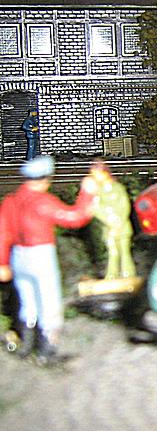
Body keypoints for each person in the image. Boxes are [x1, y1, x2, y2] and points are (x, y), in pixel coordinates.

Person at [0, 155, 96, 363]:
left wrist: (2, 263)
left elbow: (3, 233)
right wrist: (87, 193)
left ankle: (26, 346)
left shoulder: (11, 201)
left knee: (27, 302)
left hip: (19, 257)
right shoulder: (43, 202)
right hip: (40, 256)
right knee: (48, 301)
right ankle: (46, 351)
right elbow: (74, 217)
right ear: (46, 179)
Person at [85, 161, 135, 280]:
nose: (96, 177)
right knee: (113, 252)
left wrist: (119, 221)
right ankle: (112, 274)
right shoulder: (98, 192)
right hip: (109, 228)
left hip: (122, 226)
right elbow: (95, 208)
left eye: (97, 174)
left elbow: (125, 205)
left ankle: (128, 273)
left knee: (125, 251)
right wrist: (109, 220)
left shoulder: (118, 188)